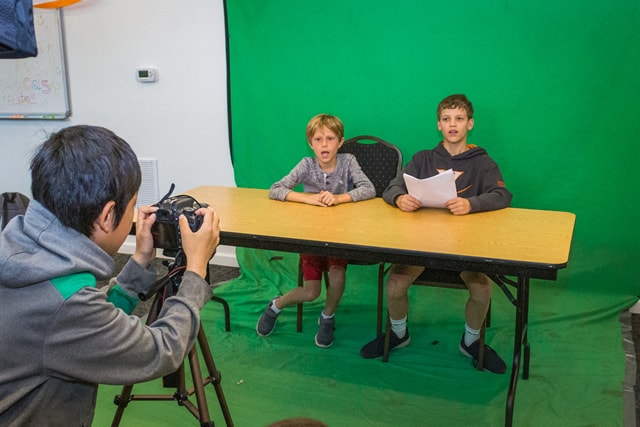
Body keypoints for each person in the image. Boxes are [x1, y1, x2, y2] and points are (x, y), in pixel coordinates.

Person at [0, 125, 220, 425]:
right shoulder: (66, 305)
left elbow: (86, 328)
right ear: (107, 216)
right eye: (131, 207)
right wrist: (196, 268)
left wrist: (140, 260)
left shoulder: (18, 254)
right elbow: (162, 350)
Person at [360, 94, 513, 374]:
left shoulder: (484, 163)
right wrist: (399, 199)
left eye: (459, 119)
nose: (452, 124)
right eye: (446, 119)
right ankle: (398, 334)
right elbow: (393, 187)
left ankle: (471, 341)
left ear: (470, 124)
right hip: (422, 245)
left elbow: (502, 195)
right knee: (394, 285)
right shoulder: (423, 158)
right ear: (438, 125)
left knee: (481, 289)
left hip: (465, 246)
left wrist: (472, 204)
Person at [256, 113, 375, 347]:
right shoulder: (306, 165)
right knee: (311, 292)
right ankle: (275, 305)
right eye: (318, 139)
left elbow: (368, 189)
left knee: (338, 278)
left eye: (330, 139)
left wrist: (339, 198)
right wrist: (306, 199)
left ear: (340, 142)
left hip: (338, 235)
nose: (324, 145)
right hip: (310, 236)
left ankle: (327, 316)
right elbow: (275, 189)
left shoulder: (348, 161)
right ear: (311, 143)